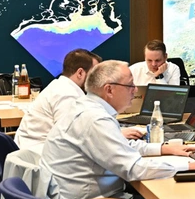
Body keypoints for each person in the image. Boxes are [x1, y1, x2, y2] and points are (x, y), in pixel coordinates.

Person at [41, 60, 195, 199]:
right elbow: (134, 169)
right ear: (109, 89)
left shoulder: (85, 108)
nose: (135, 90)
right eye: (130, 85)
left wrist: (164, 149)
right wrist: (192, 167)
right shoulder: (95, 120)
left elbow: (119, 146)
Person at [15, 49, 145, 148]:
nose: (98, 78)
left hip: (37, 150)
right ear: (80, 73)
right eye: (94, 73)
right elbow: (73, 137)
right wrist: (117, 135)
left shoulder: (61, 86)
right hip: (38, 154)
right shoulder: (66, 95)